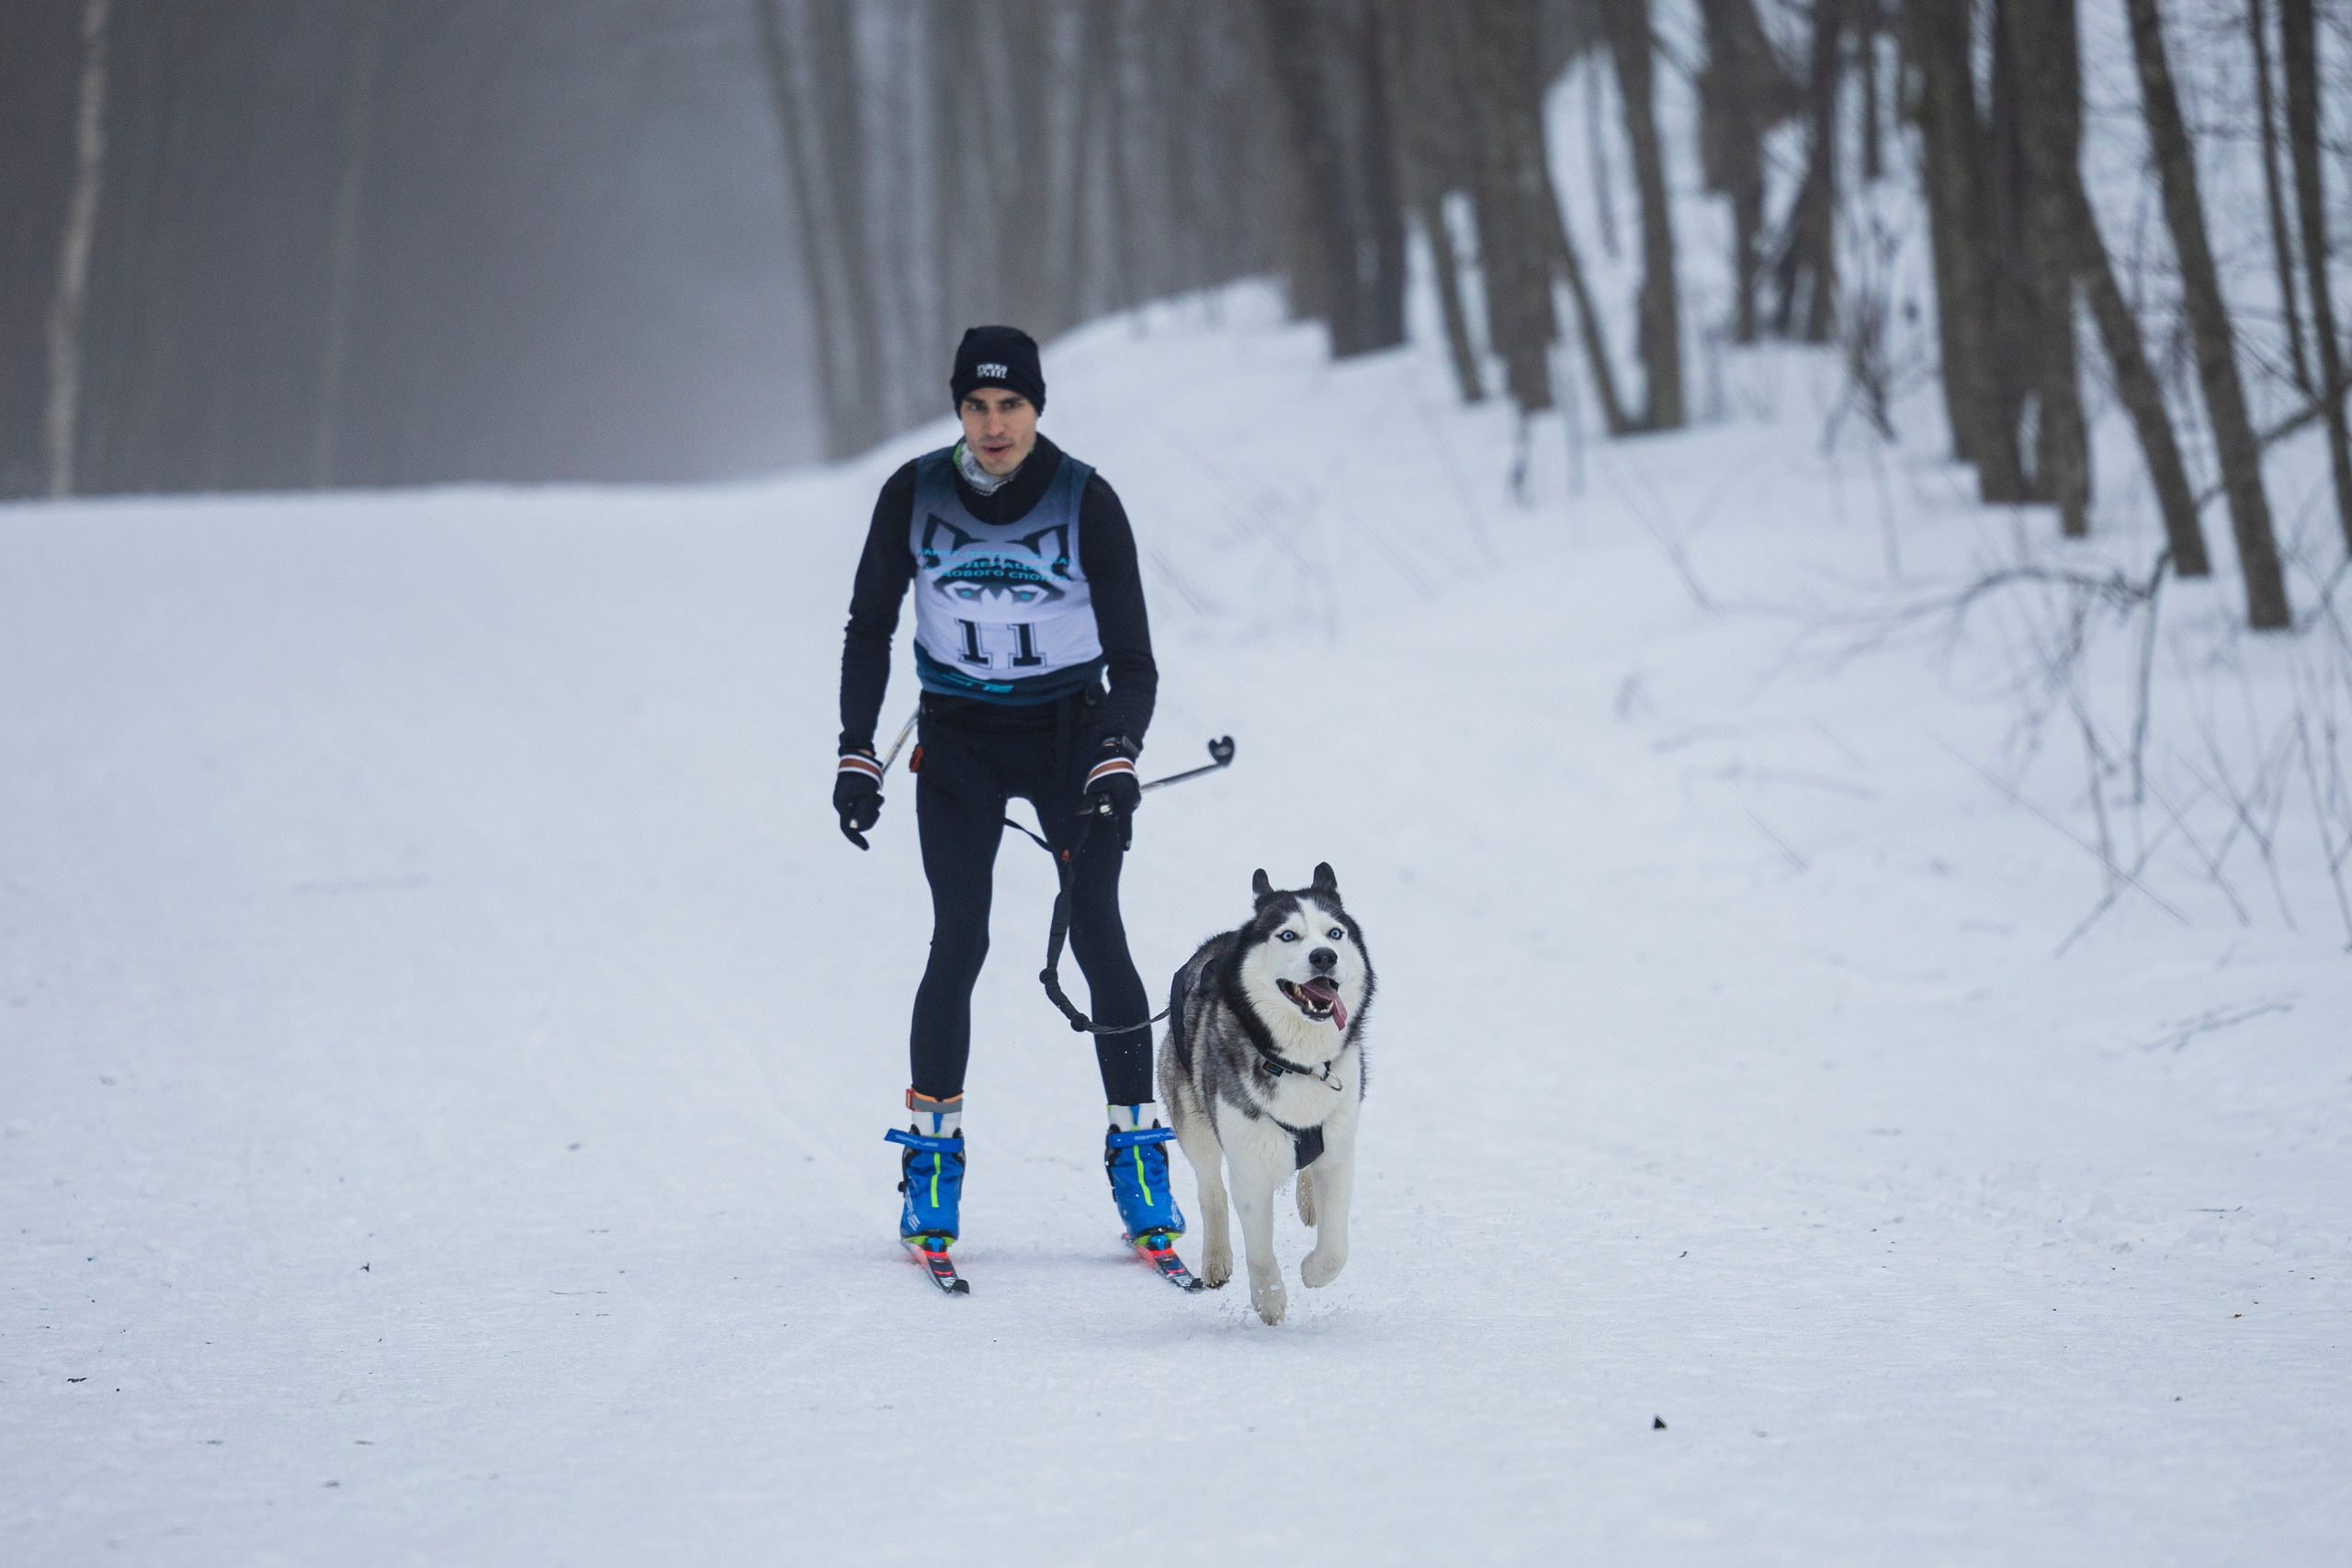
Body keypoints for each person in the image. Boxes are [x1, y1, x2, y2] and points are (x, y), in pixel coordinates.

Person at [832, 324, 1182, 1264]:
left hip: (1070, 737)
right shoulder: (911, 494)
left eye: (1011, 406)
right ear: (958, 408)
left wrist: (1117, 751)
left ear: (1036, 408)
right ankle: (933, 1162)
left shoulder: (1085, 499)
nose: (993, 425)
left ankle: (1138, 1151)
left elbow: (1137, 662)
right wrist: (856, 749)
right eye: (977, 407)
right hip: (957, 744)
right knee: (961, 937)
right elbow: (869, 626)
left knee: (1099, 928)